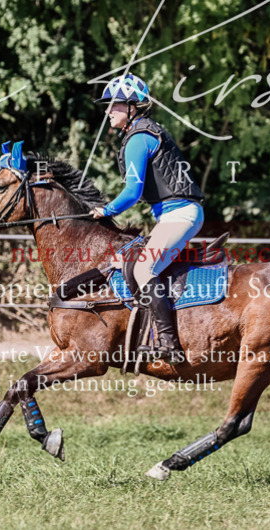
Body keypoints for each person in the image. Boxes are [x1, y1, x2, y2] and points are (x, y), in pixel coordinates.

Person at [89, 73, 205, 364]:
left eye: (114, 105)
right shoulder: (141, 133)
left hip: (180, 215)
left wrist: (106, 210)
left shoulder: (139, 138)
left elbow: (132, 191)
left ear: (132, 107)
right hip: (170, 217)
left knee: (143, 269)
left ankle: (169, 343)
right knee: (123, 262)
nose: (108, 111)